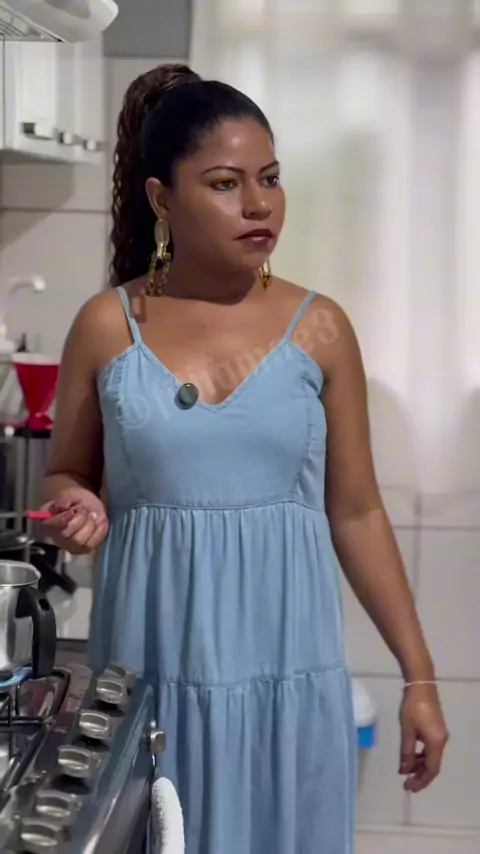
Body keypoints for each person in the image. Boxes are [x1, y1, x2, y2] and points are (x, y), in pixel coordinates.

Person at [41, 64, 448, 854]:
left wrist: (419, 677)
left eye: (270, 178)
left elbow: (357, 511)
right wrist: (74, 504)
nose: (259, 204)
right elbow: (67, 472)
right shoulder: (108, 324)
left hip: (289, 682)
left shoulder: (320, 328)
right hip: (154, 679)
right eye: (226, 183)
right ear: (162, 199)